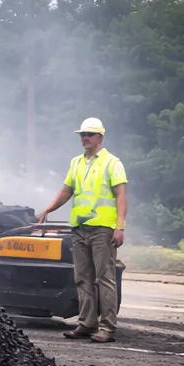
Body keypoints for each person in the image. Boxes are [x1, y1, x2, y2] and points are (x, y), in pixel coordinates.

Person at [37, 117, 128, 343]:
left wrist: (120, 227)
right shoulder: (76, 162)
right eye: (82, 134)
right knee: (82, 278)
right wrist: (47, 209)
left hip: (102, 229)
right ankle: (86, 324)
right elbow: (67, 191)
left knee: (104, 278)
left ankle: (107, 327)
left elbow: (121, 195)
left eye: (89, 134)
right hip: (79, 229)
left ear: (100, 137)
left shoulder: (112, 163)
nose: (85, 138)